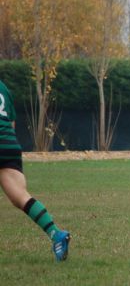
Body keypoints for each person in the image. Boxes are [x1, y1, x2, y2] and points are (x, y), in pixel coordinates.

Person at [0, 80, 71, 261]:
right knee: (20, 197)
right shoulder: (3, 87)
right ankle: (56, 234)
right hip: (9, 144)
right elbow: (11, 122)